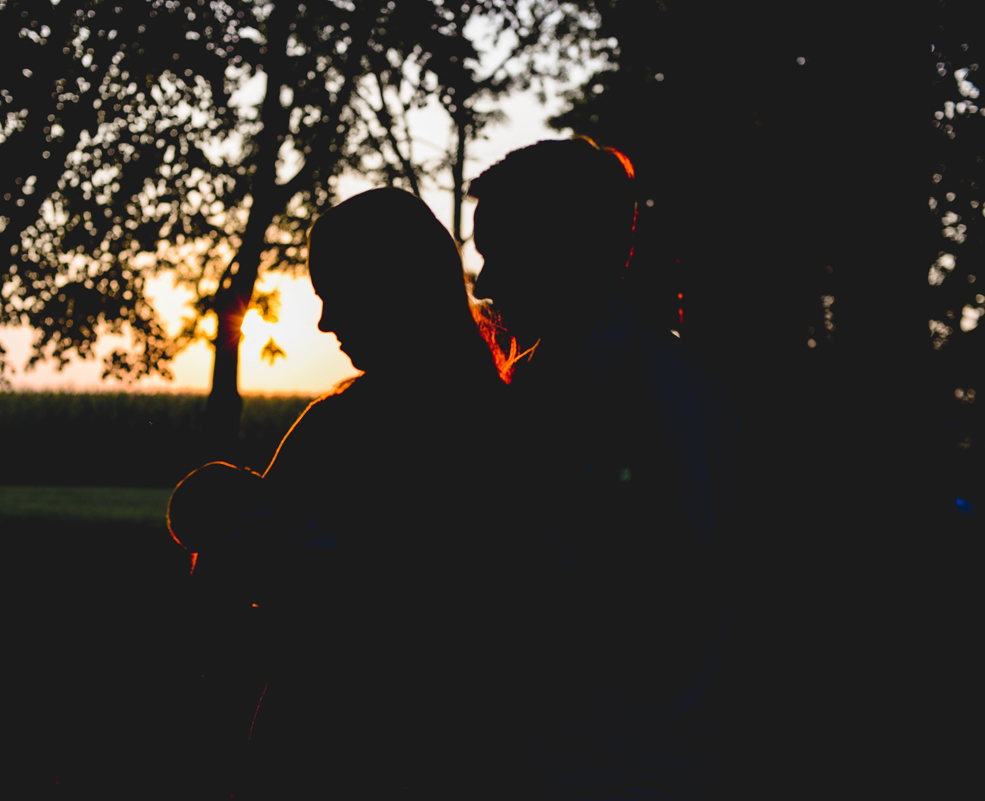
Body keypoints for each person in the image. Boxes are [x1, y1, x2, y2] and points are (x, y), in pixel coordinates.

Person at [168, 187, 513, 798]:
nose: (325, 322)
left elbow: (221, 604)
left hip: (331, 749)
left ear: (394, 291)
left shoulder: (338, 430)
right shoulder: (513, 417)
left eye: (336, 296)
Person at [468, 137, 741, 799]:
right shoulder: (534, 382)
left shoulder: (663, 391)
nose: (485, 284)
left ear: (570, 252)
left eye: (500, 254)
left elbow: (674, 586)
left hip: (625, 766)